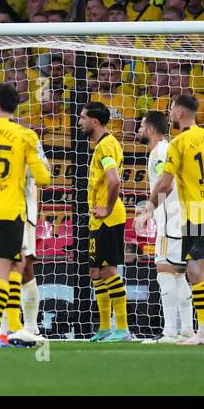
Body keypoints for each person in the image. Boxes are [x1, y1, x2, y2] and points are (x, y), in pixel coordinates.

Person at [139, 93, 204, 345]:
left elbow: (166, 182)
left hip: (194, 211)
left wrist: (148, 207)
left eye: (171, 109)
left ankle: (202, 332)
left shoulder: (179, 143)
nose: (170, 114)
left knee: (194, 272)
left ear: (179, 113)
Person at [0, 82, 51, 347]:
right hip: (9, 208)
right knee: (3, 269)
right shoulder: (25, 136)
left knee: (14, 267)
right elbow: (44, 176)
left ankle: (16, 328)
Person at [138, 109, 193, 343]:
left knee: (164, 272)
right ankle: (187, 329)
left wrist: (148, 210)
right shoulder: (167, 149)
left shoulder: (160, 151)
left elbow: (165, 184)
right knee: (179, 275)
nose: (138, 130)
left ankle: (170, 331)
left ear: (150, 129)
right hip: (179, 218)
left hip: (171, 221)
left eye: (141, 126)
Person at [79, 101, 132, 342]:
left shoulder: (106, 146)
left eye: (83, 118)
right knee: (96, 271)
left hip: (109, 217)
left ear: (95, 121)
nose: (80, 122)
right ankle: (104, 328)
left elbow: (114, 181)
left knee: (109, 270)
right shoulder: (102, 145)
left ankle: (122, 329)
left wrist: (108, 207)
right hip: (98, 219)